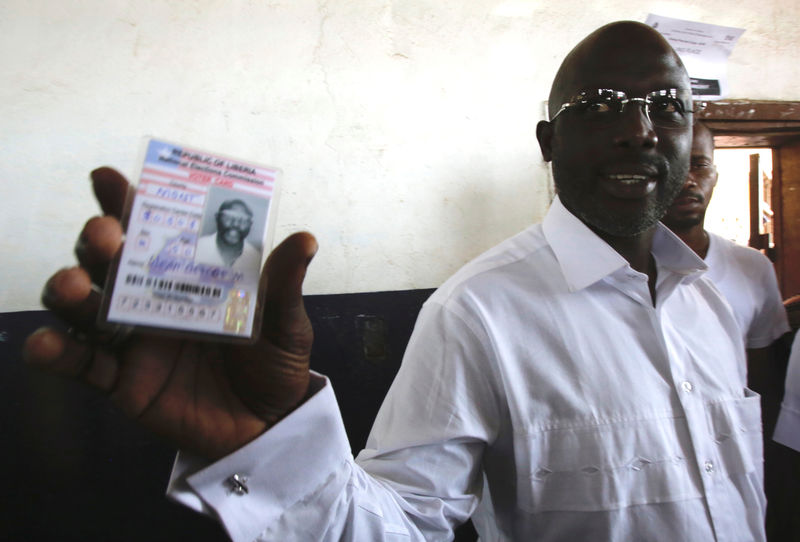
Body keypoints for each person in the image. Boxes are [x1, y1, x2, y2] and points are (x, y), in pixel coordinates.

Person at [23, 21, 767, 541]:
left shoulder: (720, 294)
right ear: (548, 142)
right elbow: (400, 527)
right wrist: (268, 449)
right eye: (601, 106)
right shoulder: (480, 312)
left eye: (668, 107)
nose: (640, 129)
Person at [661, 121, 789, 375]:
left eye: (699, 165)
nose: (687, 180)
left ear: (715, 176)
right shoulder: (620, 269)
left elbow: (764, 378)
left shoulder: (753, 267)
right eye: (672, 164)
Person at [195, 199, 262, 273]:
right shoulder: (197, 247)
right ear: (217, 218)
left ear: (250, 225)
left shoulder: (257, 258)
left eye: (243, 221)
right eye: (229, 218)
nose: (235, 224)